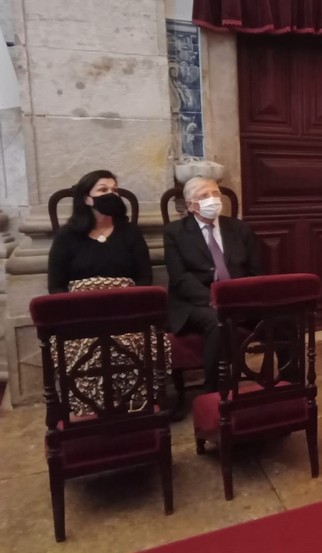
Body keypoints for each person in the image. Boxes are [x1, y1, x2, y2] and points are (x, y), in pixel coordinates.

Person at [47, 169, 162, 415]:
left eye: (114, 190)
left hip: (127, 314)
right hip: (82, 317)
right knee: (92, 349)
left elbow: (144, 278)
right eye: (103, 190)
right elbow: (56, 286)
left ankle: (134, 408)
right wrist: (75, 313)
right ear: (87, 199)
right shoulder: (67, 237)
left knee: (134, 344)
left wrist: (130, 308)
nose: (111, 194)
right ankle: (92, 411)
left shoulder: (130, 232)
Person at [163, 176, 263, 392]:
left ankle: (288, 385)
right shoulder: (175, 233)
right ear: (190, 206)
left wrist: (243, 297)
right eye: (204, 196)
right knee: (218, 322)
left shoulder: (239, 228)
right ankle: (214, 392)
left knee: (286, 317)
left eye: (216, 194)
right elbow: (179, 278)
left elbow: (256, 271)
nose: (213, 200)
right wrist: (213, 300)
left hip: (240, 298)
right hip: (197, 303)